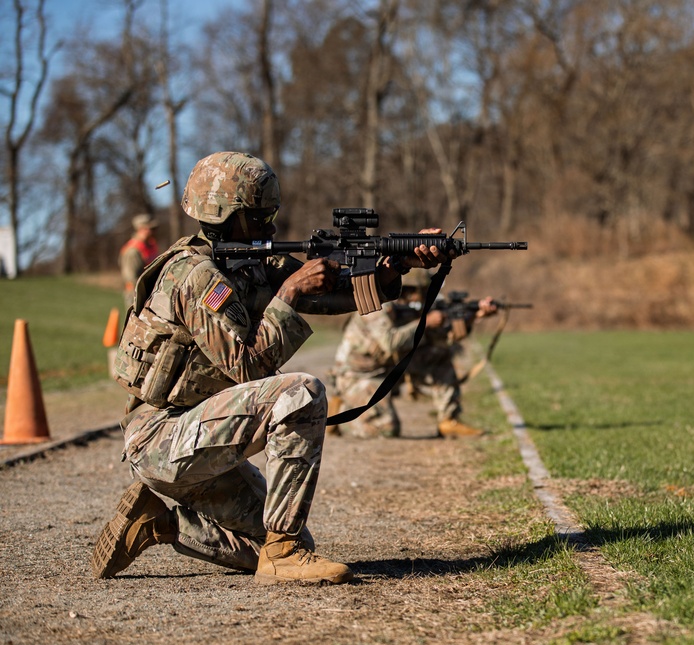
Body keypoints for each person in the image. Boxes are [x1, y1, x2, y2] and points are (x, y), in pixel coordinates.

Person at [91, 151, 449, 585]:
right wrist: (289, 297)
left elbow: (330, 297)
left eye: (271, 213)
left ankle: (159, 523)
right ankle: (283, 554)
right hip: (162, 439)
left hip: (199, 436)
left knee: (279, 537)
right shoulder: (195, 277)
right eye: (261, 216)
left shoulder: (248, 264)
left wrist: (397, 264)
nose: (272, 225)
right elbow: (249, 371)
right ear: (228, 216)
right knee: (299, 393)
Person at [327, 269, 497, 439]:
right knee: (385, 429)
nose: (424, 295)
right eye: (421, 290)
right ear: (408, 289)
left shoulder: (415, 308)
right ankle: (343, 408)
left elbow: (440, 338)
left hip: (391, 369)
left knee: (439, 354)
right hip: (358, 374)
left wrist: (474, 316)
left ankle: (448, 420)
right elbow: (390, 343)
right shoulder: (376, 305)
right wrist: (426, 321)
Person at [119, 213, 160, 307]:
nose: (154, 232)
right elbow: (131, 278)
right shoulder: (133, 250)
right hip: (138, 295)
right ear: (141, 229)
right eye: (151, 229)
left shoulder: (150, 245)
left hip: (151, 293)